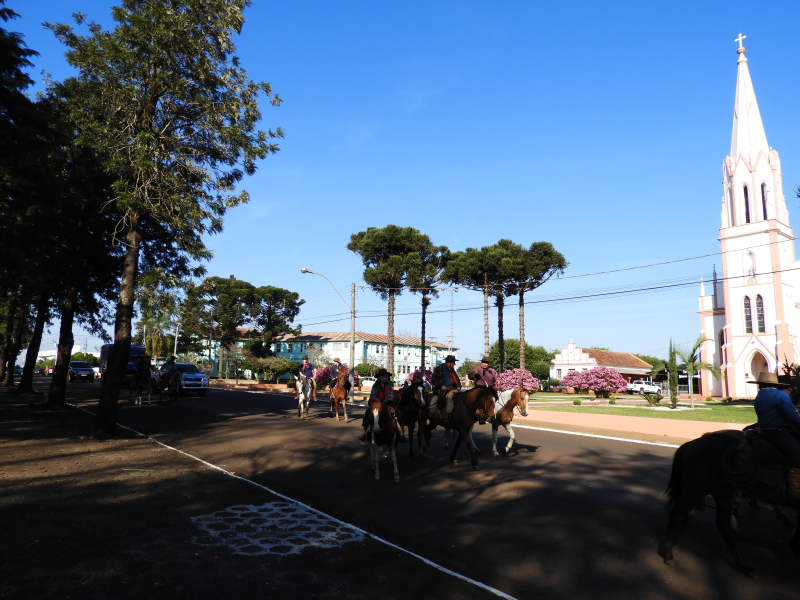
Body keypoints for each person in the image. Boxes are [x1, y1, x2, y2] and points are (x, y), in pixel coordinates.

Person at [751, 372, 800, 499]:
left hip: (763, 430)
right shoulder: (780, 395)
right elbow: (792, 415)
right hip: (777, 432)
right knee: (797, 454)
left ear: (760, 384)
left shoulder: (760, 395)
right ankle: (795, 492)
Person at [360, 368, 405, 443]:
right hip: (377, 403)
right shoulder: (375, 385)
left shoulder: (390, 384)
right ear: (379, 377)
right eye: (383, 376)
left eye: (386, 376)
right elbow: (372, 396)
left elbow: (391, 394)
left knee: (399, 413)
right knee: (368, 413)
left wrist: (391, 397)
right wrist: (380, 400)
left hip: (388, 403)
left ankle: (400, 431)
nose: (384, 378)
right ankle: (366, 433)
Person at [431, 355, 462, 419]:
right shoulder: (439, 368)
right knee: (443, 397)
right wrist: (441, 386)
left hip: (453, 388)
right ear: (449, 362)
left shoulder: (452, 370)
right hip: (443, 388)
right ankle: (443, 413)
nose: (454, 364)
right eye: (453, 363)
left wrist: (458, 386)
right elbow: (433, 379)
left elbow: (457, 380)